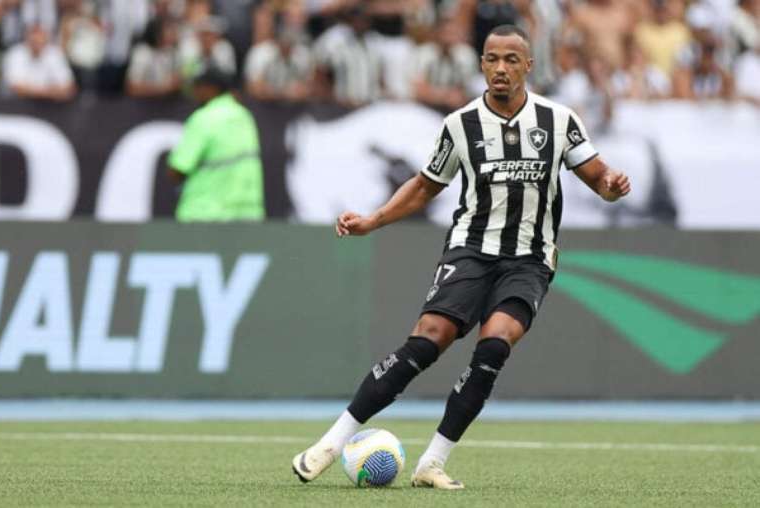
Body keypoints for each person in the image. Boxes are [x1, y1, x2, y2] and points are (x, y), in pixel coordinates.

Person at [291, 24, 630, 489]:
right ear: (482, 64)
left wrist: (611, 185)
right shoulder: (461, 124)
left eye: (511, 59)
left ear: (528, 66)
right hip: (471, 250)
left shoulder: (558, 120)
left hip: (529, 259)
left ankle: (431, 463)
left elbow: (597, 177)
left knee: (494, 345)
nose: (501, 68)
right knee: (427, 341)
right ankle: (330, 444)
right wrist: (374, 220)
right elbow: (425, 185)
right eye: (492, 59)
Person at [167, 68, 265, 222]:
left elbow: (177, 170)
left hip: (205, 213)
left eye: (197, 87)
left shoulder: (204, 118)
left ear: (210, 89)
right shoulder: (245, 116)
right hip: (247, 214)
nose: (194, 93)